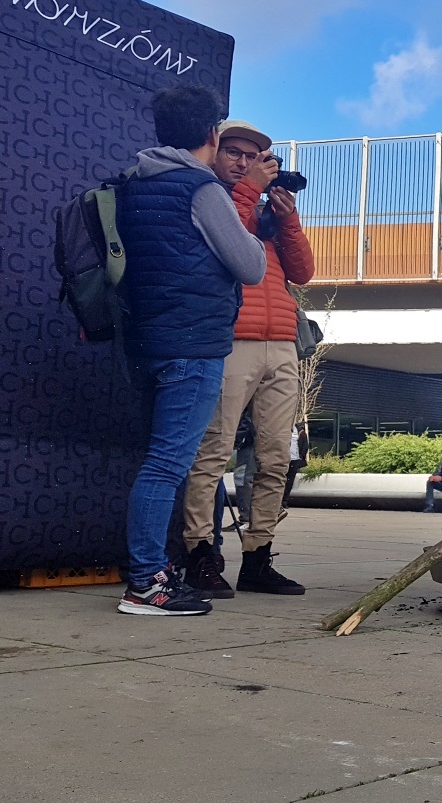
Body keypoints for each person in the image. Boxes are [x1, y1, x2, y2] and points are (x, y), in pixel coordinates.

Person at [115, 86, 267, 616]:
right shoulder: (201, 189)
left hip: (146, 342)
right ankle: (147, 584)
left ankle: (150, 572)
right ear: (211, 136)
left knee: (156, 461)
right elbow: (251, 266)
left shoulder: (134, 182)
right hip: (192, 344)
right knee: (167, 465)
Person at [179, 118, 315, 599]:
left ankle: (257, 559)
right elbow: (222, 246)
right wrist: (248, 193)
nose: (244, 163)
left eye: (254, 157)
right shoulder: (210, 197)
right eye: (235, 153)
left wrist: (287, 216)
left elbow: (302, 272)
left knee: (276, 457)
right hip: (231, 340)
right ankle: (200, 557)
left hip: (281, 342)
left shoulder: (263, 211)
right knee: (213, 452)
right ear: (215, 151)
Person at [281, 422, 309, 511]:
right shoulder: (282, 429)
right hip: (283, 459)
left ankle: (284, 501)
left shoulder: (300, 432)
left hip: (295, 459)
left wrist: (300, 457)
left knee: (289, 482)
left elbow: (305, 446)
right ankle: (278, 501)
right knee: (280, 480)